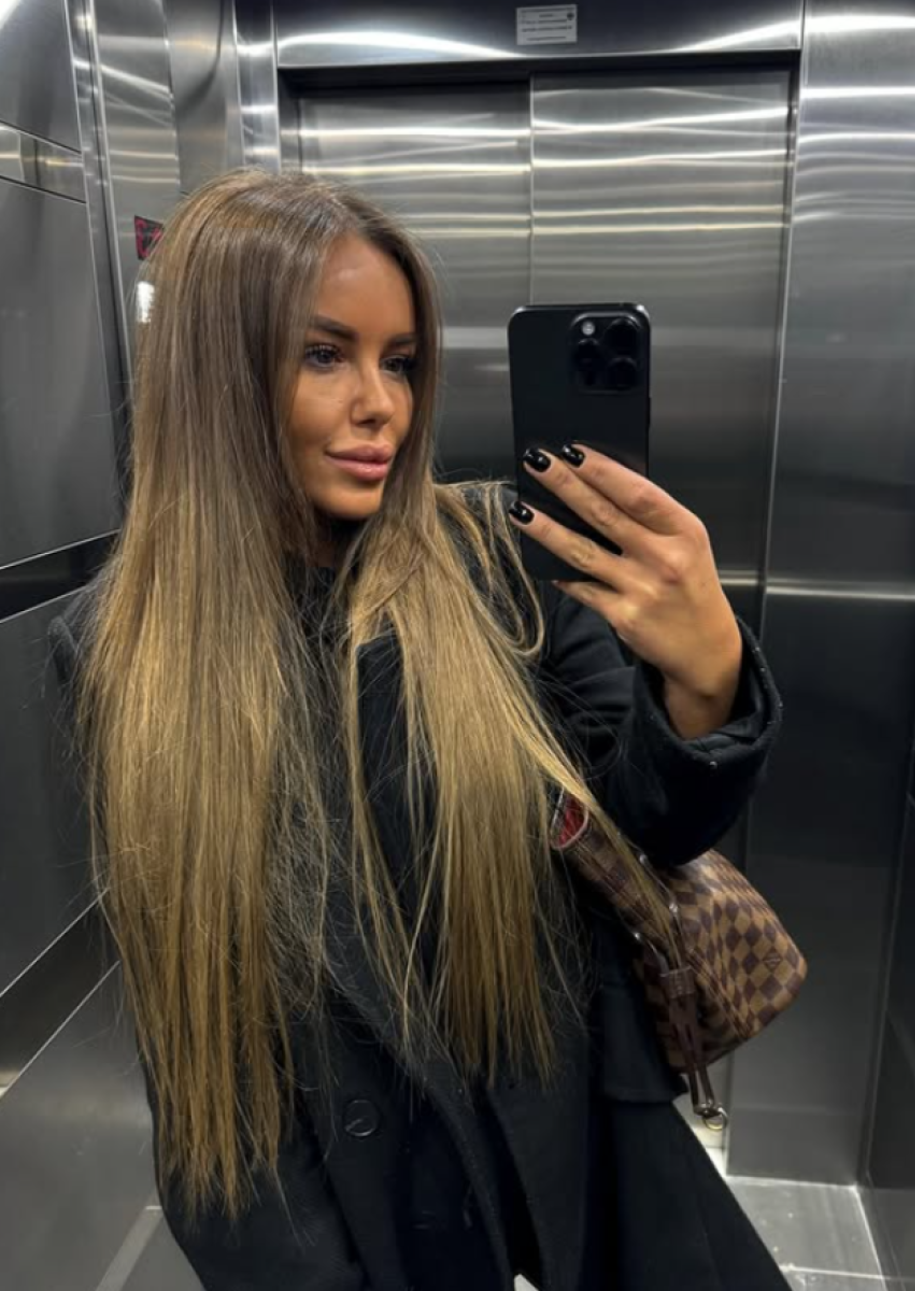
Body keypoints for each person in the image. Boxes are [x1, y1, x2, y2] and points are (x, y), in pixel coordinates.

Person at [49, 169, 787, 1291]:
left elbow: (652, 822)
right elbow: (202, 1044)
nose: (381, 404)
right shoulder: (130, 650)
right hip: (375, 1196)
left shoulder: (490, 558)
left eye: (399, 361)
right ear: (215, 371)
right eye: (323, 354)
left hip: (582, 1130)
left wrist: (704, 679)